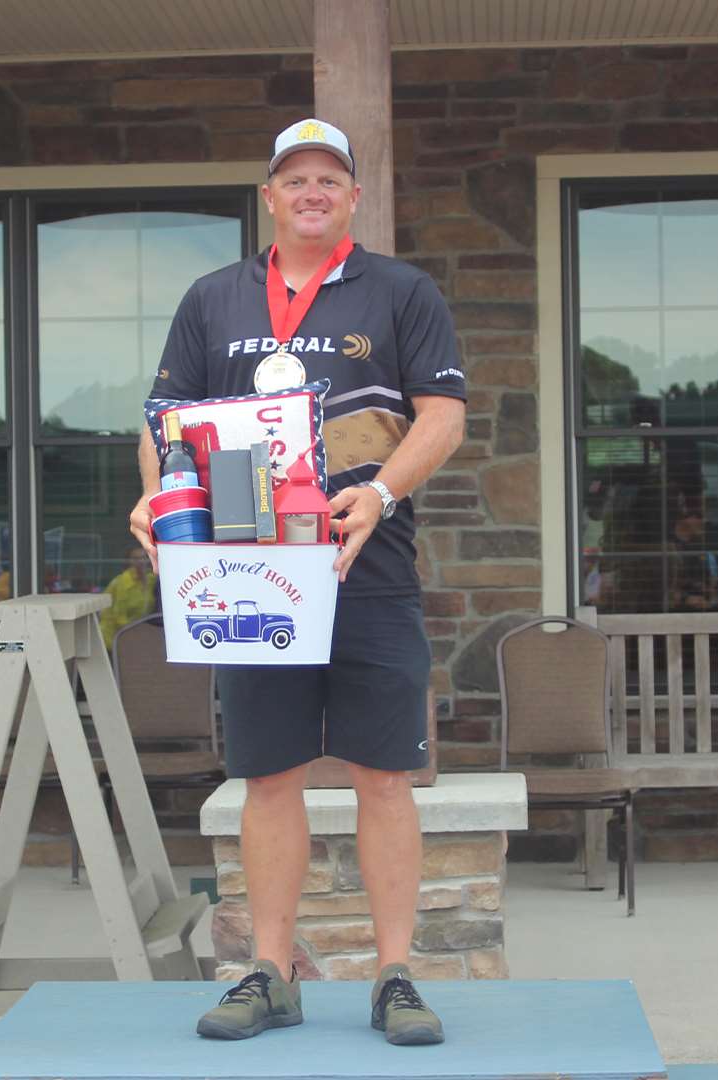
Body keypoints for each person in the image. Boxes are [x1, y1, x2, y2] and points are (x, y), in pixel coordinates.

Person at [130, 117, 467, 1046]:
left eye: (330, 179)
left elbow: (444, 416)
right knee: (268, 775)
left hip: (366, 565)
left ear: (353, 196)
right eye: (295, 179)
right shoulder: (212, 298)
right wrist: (158, 504)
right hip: (248, 570)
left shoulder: (401, 289)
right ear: (268, 195)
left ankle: (395, 974)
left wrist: (384, 494)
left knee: (384, 776)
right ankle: (271, 973)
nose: (312, 192)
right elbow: (163, 420)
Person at [98, 546, 158, 645]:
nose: (140, 561)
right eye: (135, 558)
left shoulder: (151, 580)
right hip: (113, 639)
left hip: (135, 637)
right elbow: (119, 616)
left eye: (143, 557)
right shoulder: (123, 583)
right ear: (128, 562)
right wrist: (134, 633)